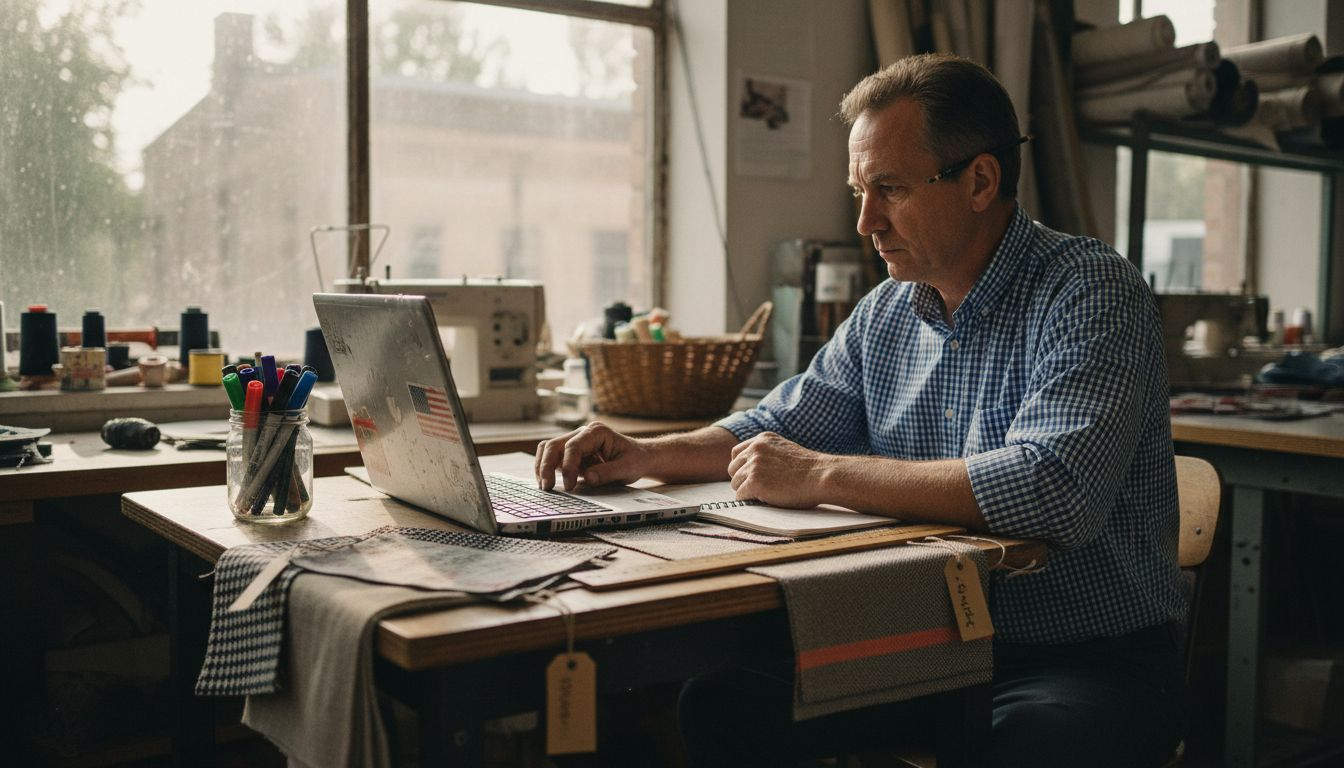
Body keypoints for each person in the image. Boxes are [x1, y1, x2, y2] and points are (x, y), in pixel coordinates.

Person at [535, 53, 1186, 768]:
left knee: (1025, 750)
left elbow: (1052, 491)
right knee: (723, 701)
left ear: (980, 181)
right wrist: (651, 455)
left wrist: (821, 477)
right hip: (930, 643)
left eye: (890, 189)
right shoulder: (887, 311)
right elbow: (780, 426)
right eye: (860, 190)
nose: (866, 220)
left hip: (1088, 657)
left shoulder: (1090, 290)